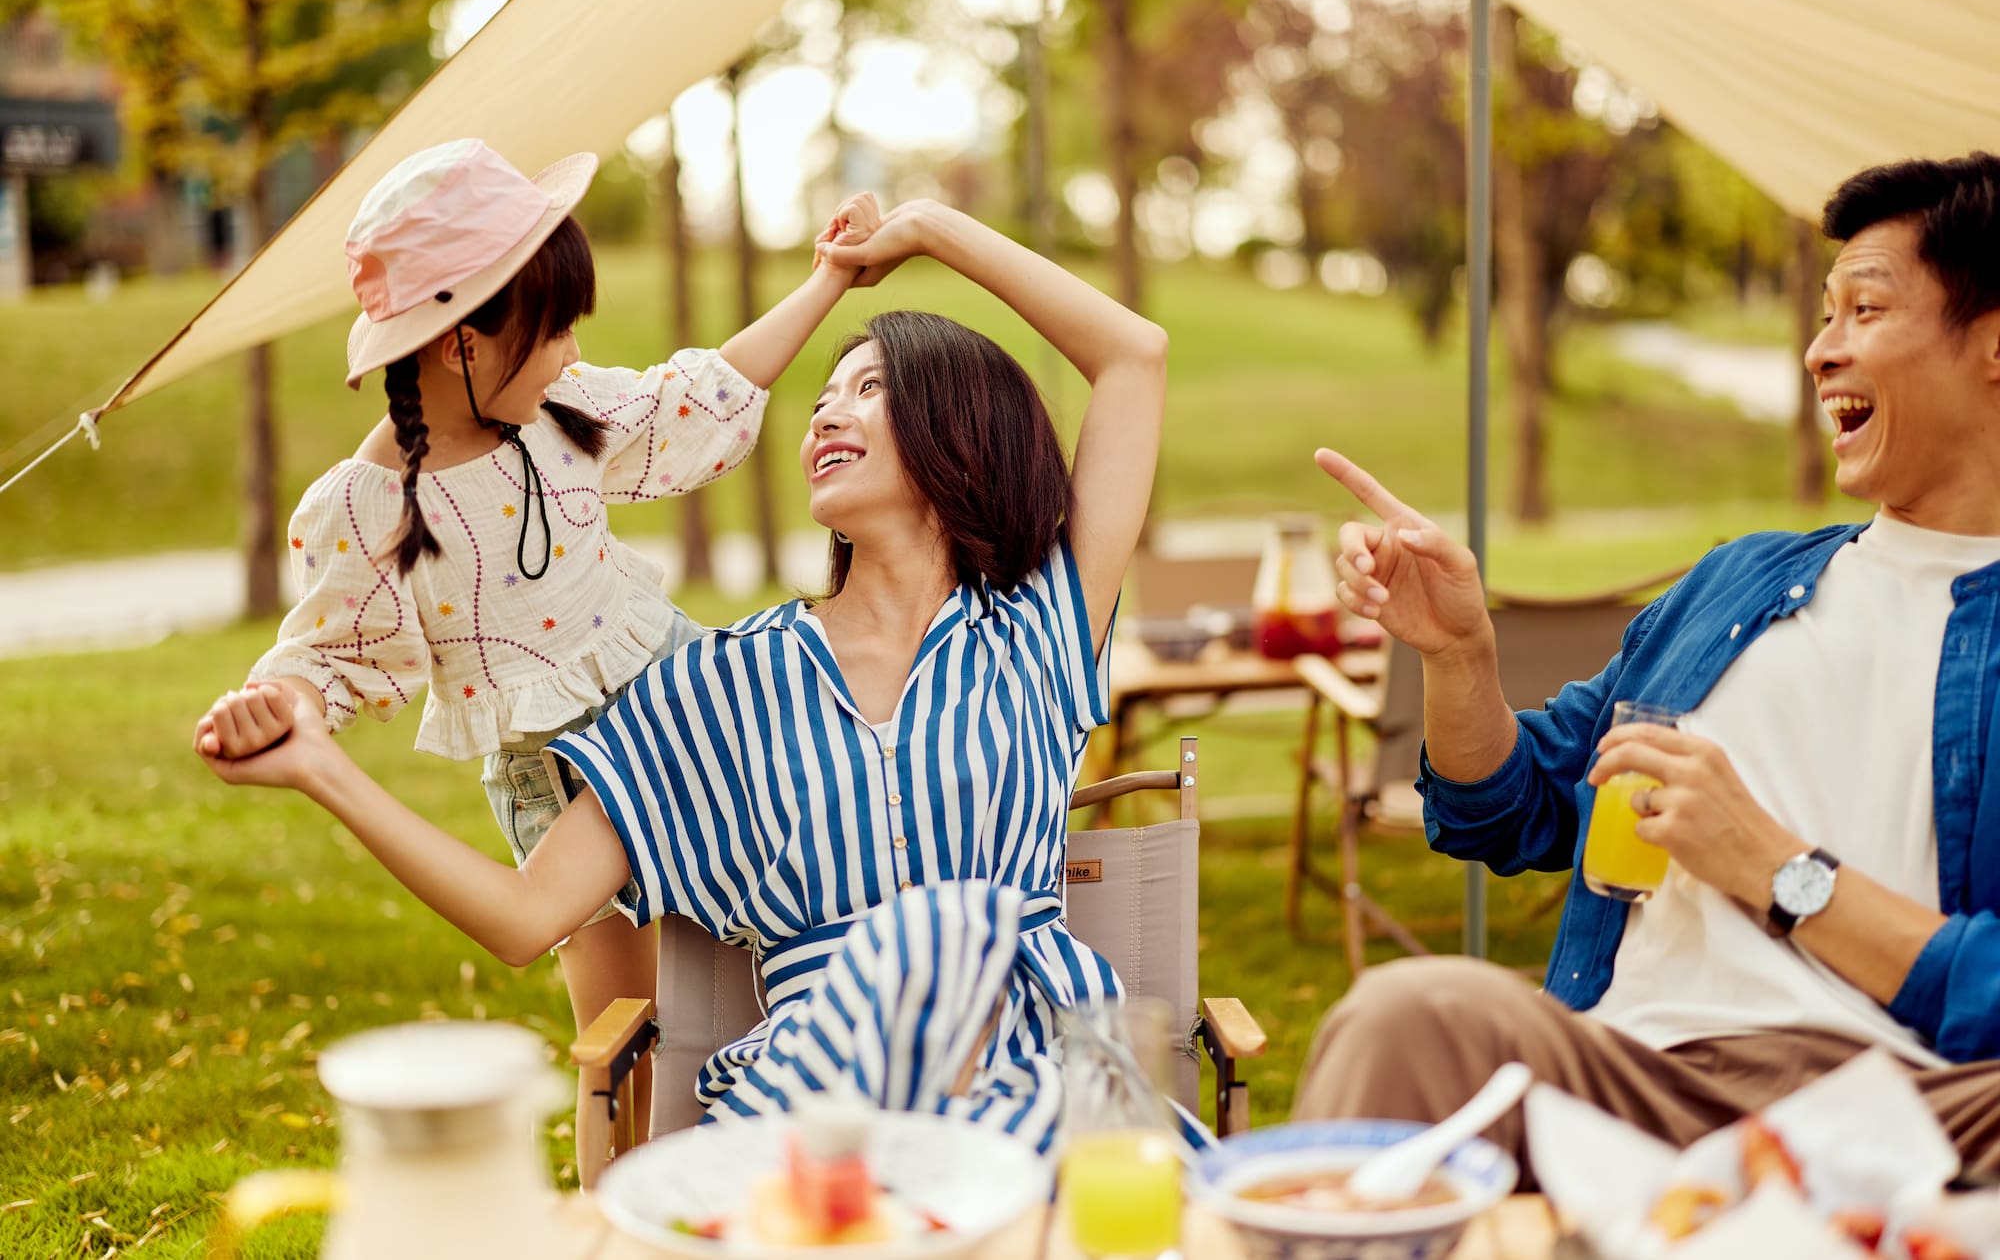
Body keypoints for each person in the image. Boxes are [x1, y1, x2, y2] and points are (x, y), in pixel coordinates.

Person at [193, 197, 1170, 1152]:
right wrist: (321, 767)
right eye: (822, 395)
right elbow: (527, 917)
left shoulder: (1035, 630)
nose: (826, 408)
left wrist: (925, 230)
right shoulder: (717, 688)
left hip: (1055, 1092)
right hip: (828, 1125)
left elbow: (1133, 356)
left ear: (965, 427)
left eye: (868, 388)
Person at [1295, 152, 2000, 1178]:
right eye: (1822, 313)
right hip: (1633, 1072)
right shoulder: (1737, 584)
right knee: (1410, 1012)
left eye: (1863, 310)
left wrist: (1776, 871)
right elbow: (1510, 805)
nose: (1818, 351)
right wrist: (1456, 654)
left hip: (1910, 1106)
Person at [191, 138, 877, 1138]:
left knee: (748, 985)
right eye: (553, 332)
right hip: (562, 784)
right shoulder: (373, 504)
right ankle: (616, 1222)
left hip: (689, 721)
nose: (570, 353)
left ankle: (772, 1170)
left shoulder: (562, 411)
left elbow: (695, 396)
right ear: (463, 342)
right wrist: (276, 711)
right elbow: (330, 657)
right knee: (624, 1042)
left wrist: (827, 280)